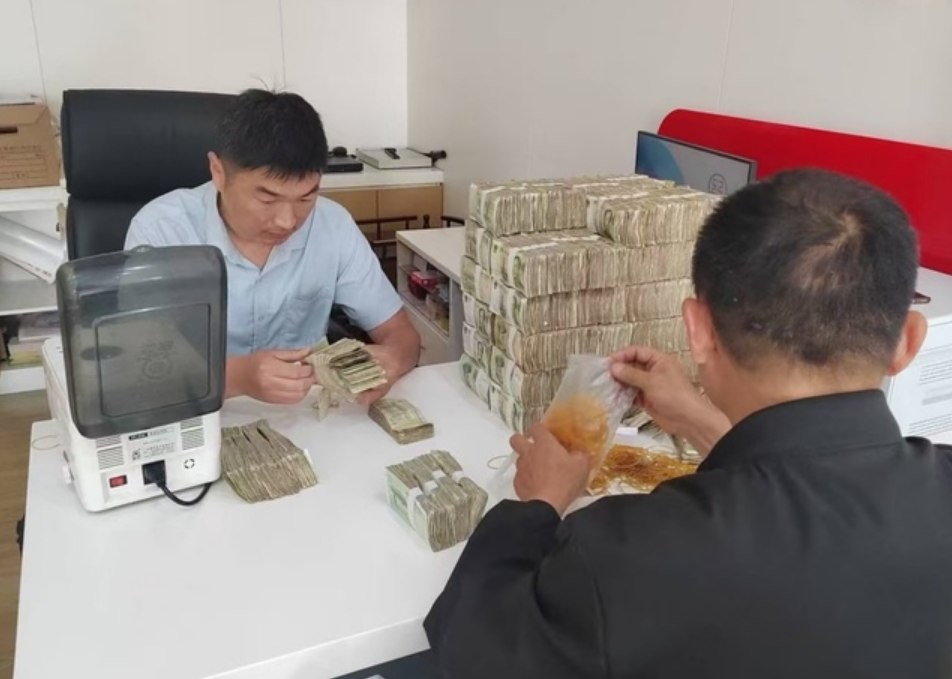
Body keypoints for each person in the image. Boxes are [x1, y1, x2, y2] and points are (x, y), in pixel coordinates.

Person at [424, 168, 952, 678]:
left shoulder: (627, 554)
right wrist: (707, 425)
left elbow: (469, 646)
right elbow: (804, 501)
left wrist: (537, 504)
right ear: (907, 341)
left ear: (696, 330)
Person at [125, 89, 420, 405]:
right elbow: (138, 367)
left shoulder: (333, 226)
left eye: (306, 198)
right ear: (218, 172)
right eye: (267, 199)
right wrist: (239, 377)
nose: (287, 221)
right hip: (199, 412)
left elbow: (401, 335)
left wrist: (394, 358)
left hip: (304, 416)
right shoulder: (161, 231)